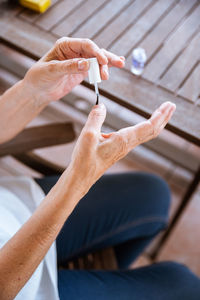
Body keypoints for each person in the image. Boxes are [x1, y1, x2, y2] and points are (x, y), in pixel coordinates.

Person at [0, 37, 199, 300]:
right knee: (184, 285)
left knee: (152, 193)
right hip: (21, 286)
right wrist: (76, 183)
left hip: (14, 208)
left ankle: (99, 274)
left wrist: (33, 91)